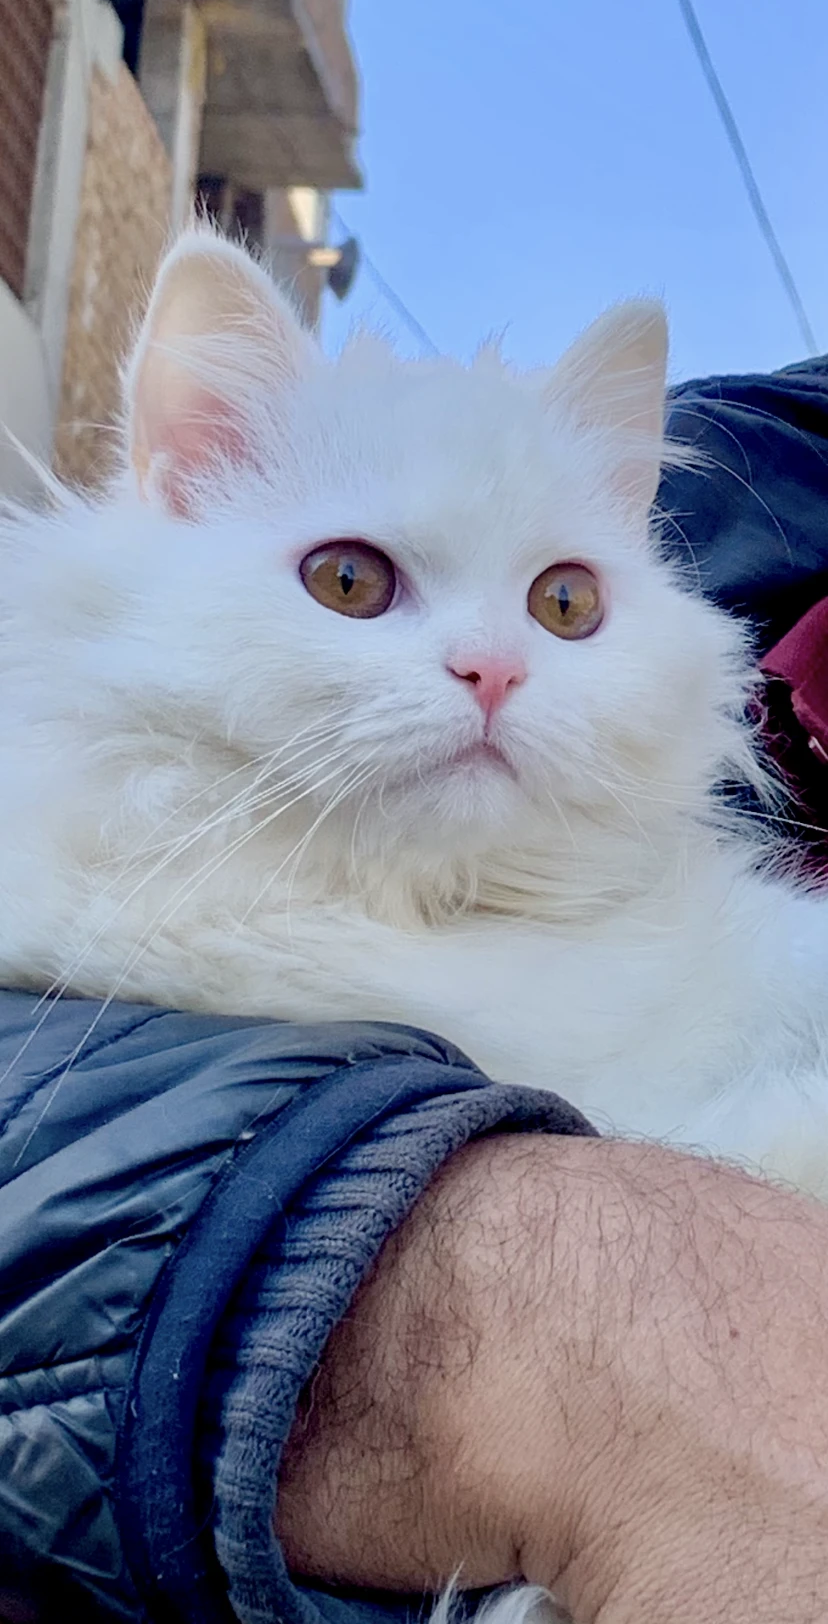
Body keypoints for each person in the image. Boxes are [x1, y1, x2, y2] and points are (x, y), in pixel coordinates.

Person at [1, 353, 827, 1624]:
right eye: (353, 580)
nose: (491, 661)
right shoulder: (780, 468)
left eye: (562, 604)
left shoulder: (718, 927)